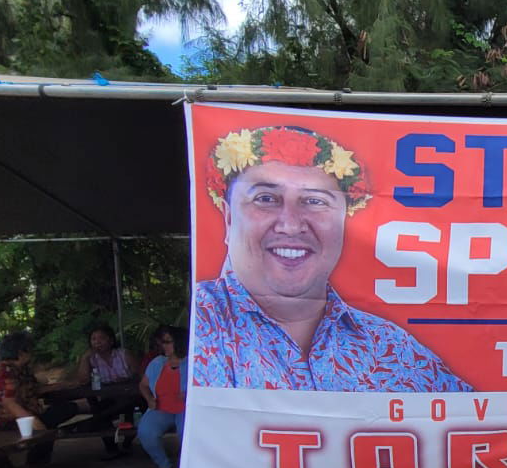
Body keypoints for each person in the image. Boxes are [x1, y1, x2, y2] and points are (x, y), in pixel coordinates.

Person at [193, 125, 470, 392]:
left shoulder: (390, 347)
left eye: (315, 201)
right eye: (266, 198)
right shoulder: (199, 328)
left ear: (344, 224)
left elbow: (472, 426)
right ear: (229, 220)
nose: (290, 225)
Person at [0, 331, 83, 434]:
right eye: (30, 350)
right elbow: (10, 403)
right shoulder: (4, 372)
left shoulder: (21, 369)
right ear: (21, 353)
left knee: (67, 408)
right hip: (7, 423)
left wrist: (59, 386)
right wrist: (36, 424)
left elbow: (31, 388)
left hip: (27, 414)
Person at [74, 324, 138, 460]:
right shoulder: (92, 359)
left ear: (111, 340)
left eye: (101, 338)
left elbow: (139, 376)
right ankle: (111, 448)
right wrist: (85, 358)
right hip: (109, 398)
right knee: (100, 410)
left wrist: (125, 381)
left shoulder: (124, 354)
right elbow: (83, 381)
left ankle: (125, 440)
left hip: (130, 395)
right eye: (93, 339)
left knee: (104, 413)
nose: (97, 342)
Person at [138, 326, 188, 468]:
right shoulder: (157, 363)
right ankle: (165, 467)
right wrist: (149, 399)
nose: (163, 346)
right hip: (161, 407)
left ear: (179, 342)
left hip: (186, 409)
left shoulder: (194, 362)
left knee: (186, 435)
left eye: (168, 342)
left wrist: (190, 394)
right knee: (146, 432)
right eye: (162, 342)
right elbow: (143, 385)